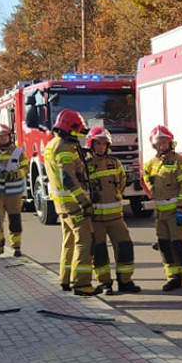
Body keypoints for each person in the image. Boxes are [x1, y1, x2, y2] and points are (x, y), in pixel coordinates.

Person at [44, 109, 104, 296]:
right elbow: (68, 178)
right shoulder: (64, 147)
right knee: (85, 242)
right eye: (77, 131)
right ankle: (81, 284)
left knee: (69, 241)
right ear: (69, 129)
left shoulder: (52, 144)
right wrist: (84, 202)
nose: (79, 135)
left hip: (61, 204)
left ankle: (66, 279)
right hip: (74, 203)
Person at [141, 125, 182, 293]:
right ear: (154, 145)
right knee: (165, 247)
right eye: (158, 143)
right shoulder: (151, 163)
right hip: (160, 214)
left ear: (170, 142)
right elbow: (145, 175)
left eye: (164, 142)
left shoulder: (179, 161)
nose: (161, 145)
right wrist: (151, 189)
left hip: (176, 212)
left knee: (181, 246)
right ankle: (173, 278)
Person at [84, 126, 140, 294]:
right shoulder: (85, 166)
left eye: (104, 143)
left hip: (116, 217)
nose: (101, 147)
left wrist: (115, 197)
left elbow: (121, 183)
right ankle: (104, 283)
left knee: (125, 247)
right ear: (91, 145)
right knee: (99, 251)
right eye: (98, 143)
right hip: (96, 219)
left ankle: (125, 281)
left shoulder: (115, 163)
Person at [0, 123, 29, 257]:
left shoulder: (18, 152)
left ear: (10, 137)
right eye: (0, 137)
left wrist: (15, 174)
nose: (3, 139)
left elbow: (25, 168)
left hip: (14, 193)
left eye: (5, 136)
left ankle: (16, 247)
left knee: (14, 220)